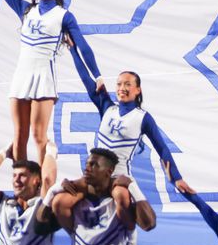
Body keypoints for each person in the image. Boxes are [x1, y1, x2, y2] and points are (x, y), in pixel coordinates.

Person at [0, 0, 100, 161]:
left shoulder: (64, 16)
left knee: (39, 137)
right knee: (19, 136)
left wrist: (98, 75)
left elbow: (83, 46)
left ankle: (44, 187)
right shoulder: (26, 10)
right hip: (21, 77)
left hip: (44, 77)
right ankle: (21, 184)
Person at [70, 56, 189, 193]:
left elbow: (162, 149)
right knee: (62, 199)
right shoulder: (107, 107)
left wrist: (177, 178)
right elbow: (85, 77)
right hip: (97, 177)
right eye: (119, 84)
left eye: (127, 84)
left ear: (138, 90)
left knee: (122, 198)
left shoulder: (143, 117)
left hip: (121, 178)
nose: (122, 88)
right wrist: (73, 49)